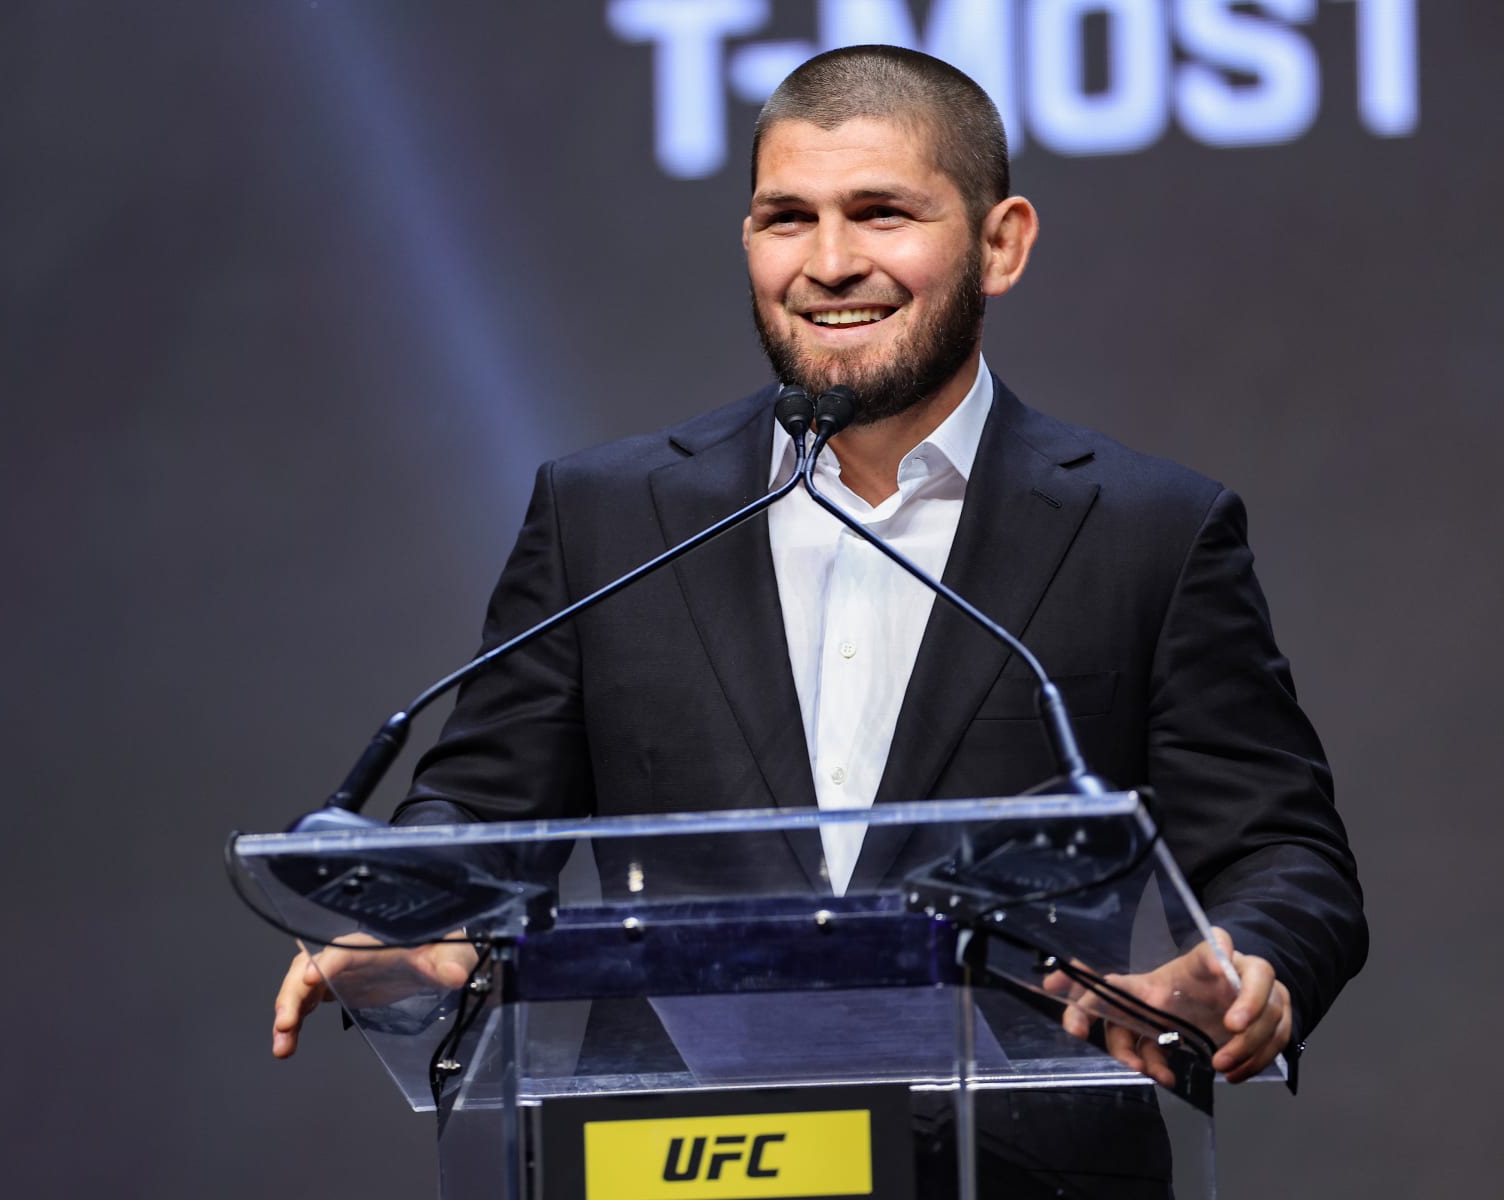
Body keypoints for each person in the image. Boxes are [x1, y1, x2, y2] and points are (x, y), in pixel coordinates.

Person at [271, 42, 1365, 1189]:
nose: (831, 263)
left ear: (1003, 244)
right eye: (786, 217)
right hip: (684, 1167)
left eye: (882, 213)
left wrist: (1252, 968)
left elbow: (1279, 850)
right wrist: (425, 919)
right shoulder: (608, 516)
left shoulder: (1150, 530)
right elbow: (485, 807)